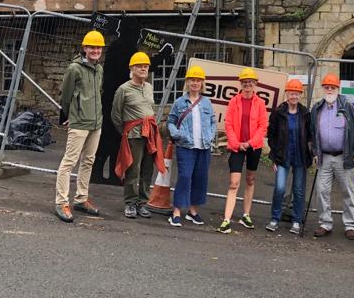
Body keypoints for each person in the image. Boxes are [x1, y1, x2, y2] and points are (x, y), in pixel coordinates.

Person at [54, 30, 105, 223]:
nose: (95, 50)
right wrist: (69, 115)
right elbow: (65, 96)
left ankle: (81, 199)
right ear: (84, 48)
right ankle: (61, 202)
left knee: (88, 161)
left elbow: (98, 93)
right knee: (69, 161)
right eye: (92, 47)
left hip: (95, 122)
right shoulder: (74, 69)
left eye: (98, 47)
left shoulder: (99, 69)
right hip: (79, 122)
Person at [309, 72, 354, 240]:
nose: (329, 89)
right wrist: (314, 152)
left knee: (348, 192)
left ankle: (350, 225)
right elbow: (313, 133)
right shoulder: (317, 108)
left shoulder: (347, 106)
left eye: (332, 87)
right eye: (326, 87)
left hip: (345, 156)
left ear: (337, 88)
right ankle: (325, 223)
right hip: (324, 157)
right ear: (323, 88)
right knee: (322, 191)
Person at [111, 51, 161, 219]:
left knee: (148, 169)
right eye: (139, 66)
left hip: (150, 134)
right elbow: (116, 115)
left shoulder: (149, 87)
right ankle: (130, 203)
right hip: (133, 135)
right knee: (133, 169)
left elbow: (150, 110)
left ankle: (142, 203)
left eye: (146, 66)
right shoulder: (123, 90)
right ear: (132, 68)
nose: (143, 69)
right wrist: (125, 132)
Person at [218, 67, 268, 234]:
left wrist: (250, 142)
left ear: (255, 84)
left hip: (253, 146)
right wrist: (236, 143)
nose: (248, 85)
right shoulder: (234, 101)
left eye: (250, 82)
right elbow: (229, 124)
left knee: (250, 180)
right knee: (234, 183)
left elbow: (262, 126)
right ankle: (226, 219)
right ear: (241, 84)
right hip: (237, 146)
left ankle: (246, 214)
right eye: (245, 82)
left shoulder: (260, 103)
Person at [166, 65, 216, 227]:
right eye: (192, 80)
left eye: (198, 80)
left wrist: (210, 135)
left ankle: (193, 211)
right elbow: (171, 121)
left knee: (200, 179)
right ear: (187, 82)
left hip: (203, 147)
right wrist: (176, 134)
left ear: (202, 83)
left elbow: (213, 122)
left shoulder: (207, 103)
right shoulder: (180, 102)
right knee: (185, 177)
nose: (195, 83)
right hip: (185, 146)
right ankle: (176, 211)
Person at [267, 79, 312, 235]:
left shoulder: (305, 113)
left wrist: (312, 154)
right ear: (287, 94)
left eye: (297, 93)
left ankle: (297, 221)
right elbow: (271, 136)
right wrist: (273, 157)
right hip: (282, 156)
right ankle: (274, 218)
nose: (294, 96)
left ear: (300, 94)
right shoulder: (278, 113)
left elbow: (310, 136)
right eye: (291, 93)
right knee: (279, 188)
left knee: (298, 190)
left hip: (300, 156)